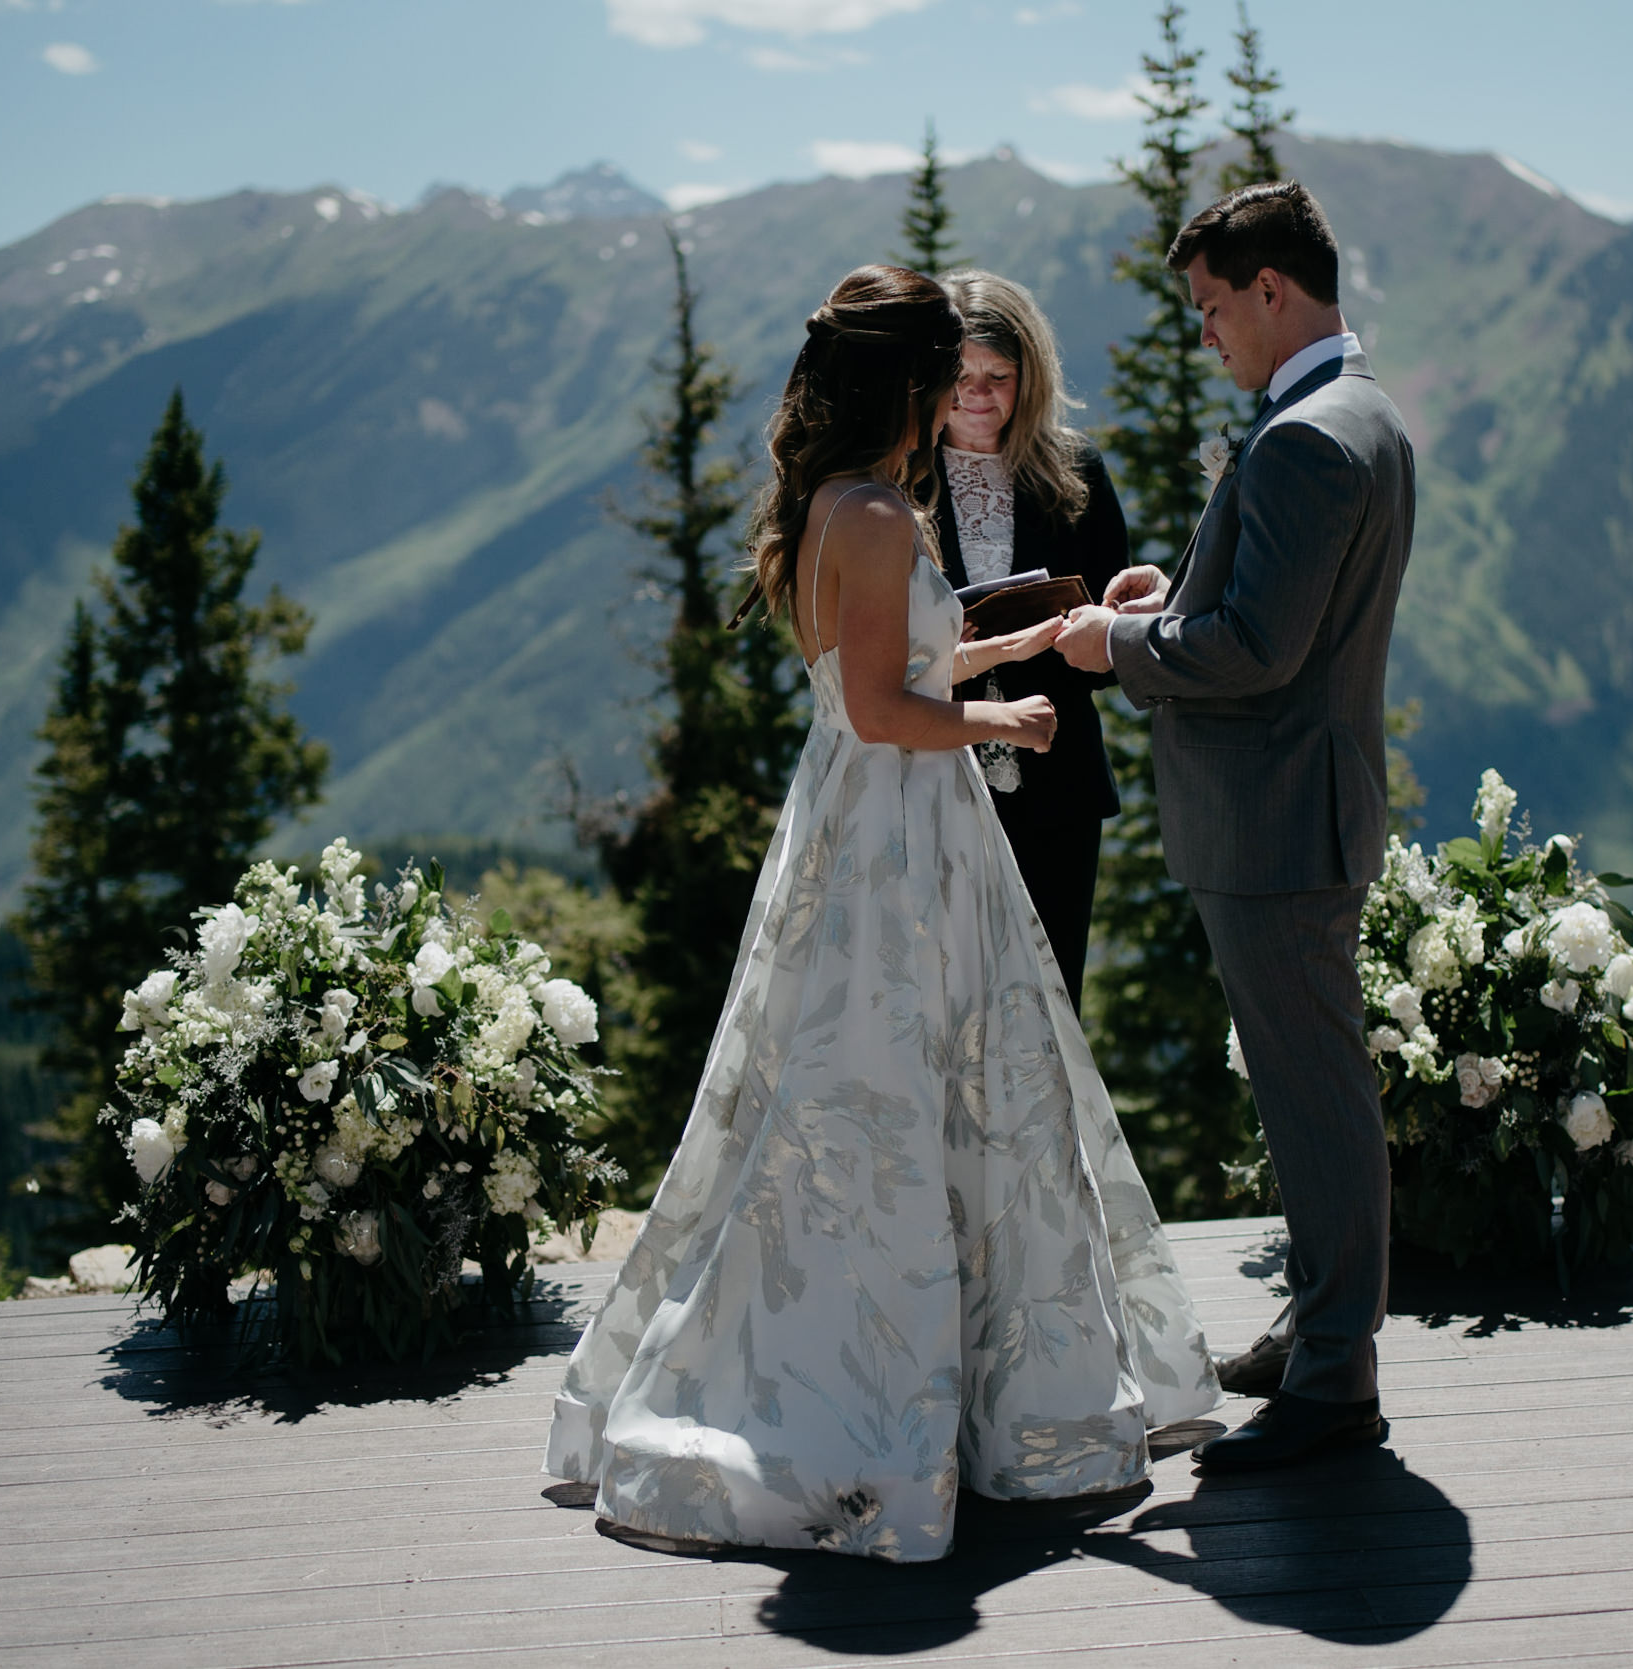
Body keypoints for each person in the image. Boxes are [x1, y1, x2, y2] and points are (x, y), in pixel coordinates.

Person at [545, 265, 1219, 1562]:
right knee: (914, 1088)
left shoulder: (833, 506)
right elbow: (882, 710)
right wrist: (1000, 720)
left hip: (876, 822)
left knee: (888, 1083)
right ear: (909, 387)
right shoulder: (872, 516)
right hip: (897, 829)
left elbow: (905, 659)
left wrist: (1017, 648)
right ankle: (896, 1391)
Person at [1056, 182, 1416, 1473]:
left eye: (1212, 306)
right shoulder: (1356, 414)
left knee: (1316, 1102)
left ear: (1274, 290)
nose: (1205, 331)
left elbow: (1261, 650)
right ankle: (1319, 1329)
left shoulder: (1304, 438)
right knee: (1306, 1089)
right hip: (1297, 811)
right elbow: (1273, 606)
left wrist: (1116, 643)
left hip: (1274, 824)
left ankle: (1335, 1380)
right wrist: (1177, 592)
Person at [932, 270, 1131, 1007]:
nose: (976, 393)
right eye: (958, 374)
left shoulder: (1076, 469)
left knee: (1048, 1005)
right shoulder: (896, 478)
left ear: (1030, 376)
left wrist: (1096, 635)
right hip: (932, 775)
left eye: (998, 375)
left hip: (1057, 786)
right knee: (941, 1011)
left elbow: (1114, 638)